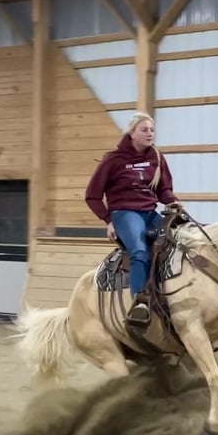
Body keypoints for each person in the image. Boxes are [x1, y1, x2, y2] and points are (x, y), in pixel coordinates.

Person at [85, 111, 180, 323]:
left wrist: (173, 202)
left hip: (150, 212)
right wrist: (108, 220)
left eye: (152, 130)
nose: (150, 133)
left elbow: (164, 190)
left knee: (181, 240)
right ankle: (140, 302)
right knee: (139, 251)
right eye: (144, 130)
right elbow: (92, 195)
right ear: (132, 133)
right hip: (124, 213)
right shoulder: (113, 160)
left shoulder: (157, 158)